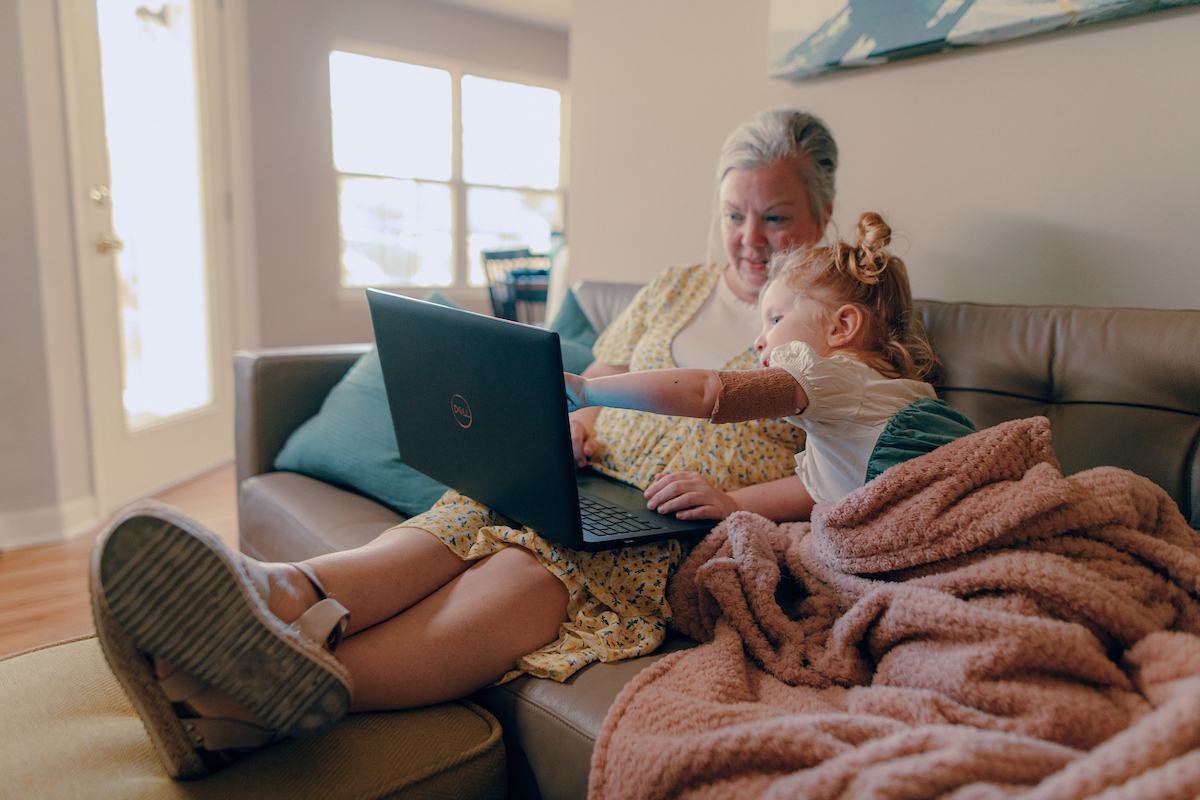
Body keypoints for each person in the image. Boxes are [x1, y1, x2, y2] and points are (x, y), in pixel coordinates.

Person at [90, 108, 843, 780]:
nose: (750, 242)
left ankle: (250, 695)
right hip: (588, 474)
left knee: (531, 567)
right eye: (734, 216)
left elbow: (843, 465)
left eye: (775, 218)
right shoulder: (679, 285)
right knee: (460, 520)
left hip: (669, 526)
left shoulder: (832, 323)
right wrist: (578, 423)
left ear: (824, 213)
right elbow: (606, 370)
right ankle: (271, 593)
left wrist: (729, 502)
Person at [566, 212, 977, 516]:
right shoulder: (886, 393)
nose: (760, 339)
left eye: (776, 319)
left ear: (842, 327)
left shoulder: (825, 375)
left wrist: (589, 391)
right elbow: (818, 488)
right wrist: (730, 503)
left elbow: (708, 392)